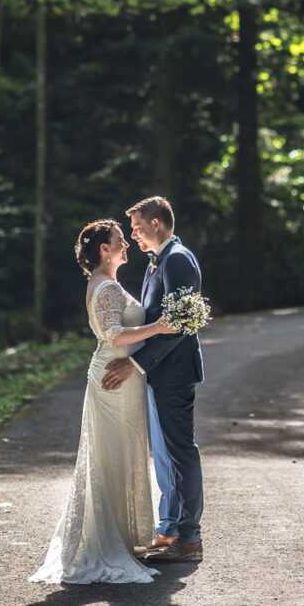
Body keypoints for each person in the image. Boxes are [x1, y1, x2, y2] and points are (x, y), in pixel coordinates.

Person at [30, 218, 174, 584]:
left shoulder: (104, 282)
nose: (127, 244)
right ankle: (110, 542)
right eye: (120, 240)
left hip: (118, 373)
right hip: (114, 377)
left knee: (119, 454)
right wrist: (158, 327)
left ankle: (122, 536)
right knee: (114, 455)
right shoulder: (107, 286)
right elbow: (113, 335)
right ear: (105, 250)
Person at [101, 196, 204, 563]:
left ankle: (190, 540)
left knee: (180, 453)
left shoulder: (176, 259)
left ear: (156, 224)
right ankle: (171, 529)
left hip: (174, 373)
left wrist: (136, 363)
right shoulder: (159, 260)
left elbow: (181, 323)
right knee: (164, 456)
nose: (134, 235)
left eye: (138, 227)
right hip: (161, 373)